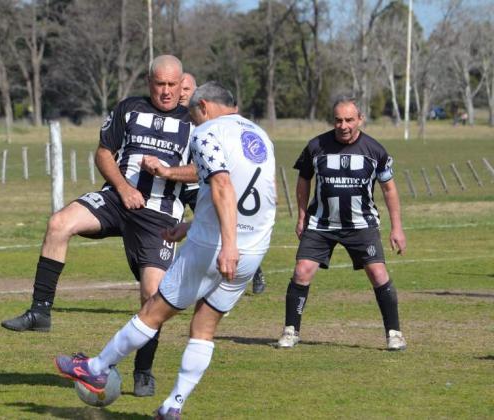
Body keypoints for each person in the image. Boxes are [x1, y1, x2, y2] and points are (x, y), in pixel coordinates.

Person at [54, 81, 277, 419]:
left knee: (154, 310)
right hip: (254, 246)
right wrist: (192, 226)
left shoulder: (207, 133)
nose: (194, 121)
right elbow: (253, 194)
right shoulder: (260, 137)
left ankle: (97, 367)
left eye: (193, 114)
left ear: (203, 107)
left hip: (218, 247)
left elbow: (222, 186)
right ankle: (173, 406)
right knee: (204, 326)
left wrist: (226, 244)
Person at [1, 55, 197, 397]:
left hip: (160, 216)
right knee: (59, 223)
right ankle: (40, 312)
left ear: (183, 85)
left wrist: (169, 177)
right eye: (159, 84)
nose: (165, 91)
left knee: (153, 296)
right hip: (116, 200)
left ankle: (144, 371)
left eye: (172, 85)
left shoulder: (195, 123)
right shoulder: (129, 109)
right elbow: (104, 152)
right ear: (149, 82)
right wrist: (123, 188)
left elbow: (204, 173)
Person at [276, 95, 407, 351]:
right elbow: (303, 180)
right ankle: (291, 330)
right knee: (302, 271)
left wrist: (397, 227)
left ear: (360, 119)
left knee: (378, 274)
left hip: (361, 225)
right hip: (321, 224)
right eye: (338, 120)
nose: (343, 126)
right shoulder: (316, 147)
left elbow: (389, 190)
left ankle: (395, 333)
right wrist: (302, 215)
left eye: (349, 120)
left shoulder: (375, 151)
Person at [176, 73, 267, 296]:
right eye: (179, 89)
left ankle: (248, 270)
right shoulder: (179, 120)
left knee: (221, 231)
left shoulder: (211, 127)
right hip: (178, 186)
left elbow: (217, 176)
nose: (181, 94)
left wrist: (169, 172)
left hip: (202, 187)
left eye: (186, 89)